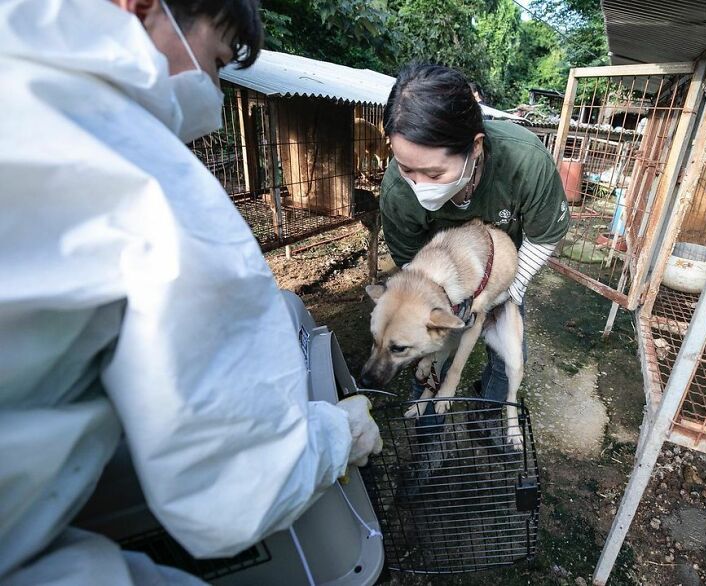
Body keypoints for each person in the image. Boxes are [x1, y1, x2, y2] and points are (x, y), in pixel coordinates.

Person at [0, 1, 381, 584]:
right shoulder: (143, 175)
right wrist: (338, 435)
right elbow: (236, 489)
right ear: (139, 7)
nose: (213, 90)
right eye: (216, 60)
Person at [380, 64, 570, 410]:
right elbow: (410, 261)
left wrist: (508, 288)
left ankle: (489, 414)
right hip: (440, 280)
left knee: (507, 356)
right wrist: (433, 310)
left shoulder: (525, 162)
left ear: (476, 148)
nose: (419, 185)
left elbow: (545, 235)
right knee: (425, 352)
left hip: (500, 270)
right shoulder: (396, 191)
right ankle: (425, 429)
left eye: (435, 172)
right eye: (407, 169)